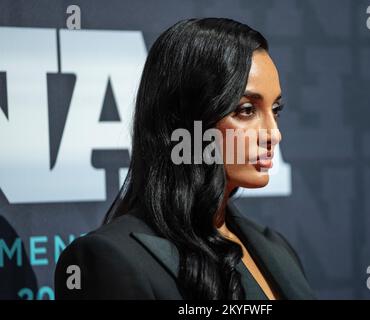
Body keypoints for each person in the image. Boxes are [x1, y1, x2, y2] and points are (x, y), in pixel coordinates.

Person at [54, 17, 315, 300]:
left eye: (275, 109)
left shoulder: (275, 248)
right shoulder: (108, 260)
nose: (273, 134)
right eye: (247, 110)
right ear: (188, 121)